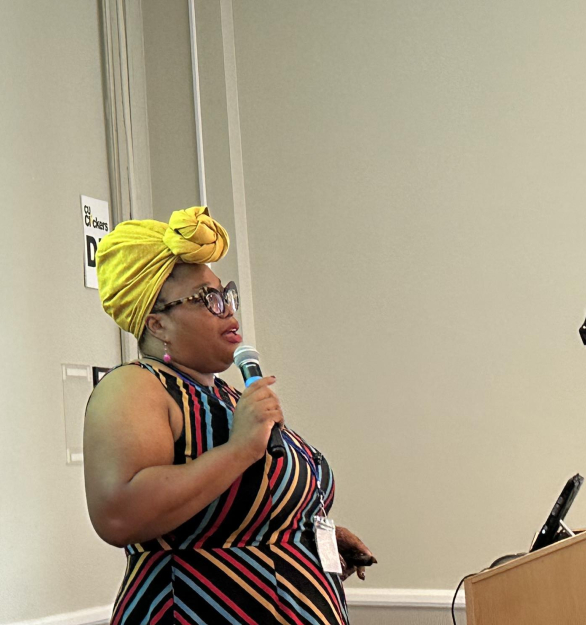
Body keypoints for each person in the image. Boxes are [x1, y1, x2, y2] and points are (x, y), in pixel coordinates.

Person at [84, 206, 375, 625]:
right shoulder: (135, 386)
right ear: (158, 324)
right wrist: (239, 450)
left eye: (227, 294)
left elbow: (233, 511)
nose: (228, 310)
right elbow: (119, 514)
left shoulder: (226, 395)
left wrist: (306, 532)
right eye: (208, 299)